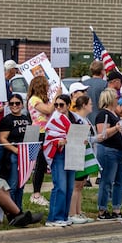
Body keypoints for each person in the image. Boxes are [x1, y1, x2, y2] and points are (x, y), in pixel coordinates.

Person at [43, 94, 80, 227]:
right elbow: (49, 137)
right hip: (58, 154)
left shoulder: (74, 119)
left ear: (68, 105)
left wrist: (82, 140)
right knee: (60, 186)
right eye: (56, 105)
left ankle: (63, 216)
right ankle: (54, 217)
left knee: (69, 187)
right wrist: (58, 142)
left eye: (61, 105)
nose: (58, 108)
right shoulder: (53, 119)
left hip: (71, 153)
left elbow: (78, 134)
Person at [94, 88, 122, 220]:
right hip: (108, 150)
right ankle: (102, 210)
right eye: (115, 98)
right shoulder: (102, 115)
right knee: (107, 181)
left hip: (118, 151)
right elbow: (102, 134)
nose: (117, 100)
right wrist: (116, 128)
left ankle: (116, 208)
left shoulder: (114, 114)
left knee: (121, 180)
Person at [0, 93, 33, 211]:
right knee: (12, 185)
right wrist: (16, 151)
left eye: (17, 103)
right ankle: (12, 212)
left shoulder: (26, 119)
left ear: (22, 105)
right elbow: (3, 139)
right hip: (13, 156)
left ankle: (20, 209)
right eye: (11, 103)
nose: (14, 105)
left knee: (21, 185)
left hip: (26, 155)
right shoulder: (6, 120)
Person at [69, 94, 98, 224]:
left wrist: (96, 139)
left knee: (80, 185)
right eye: (90, 103)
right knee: (76, 185)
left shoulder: (86, 119)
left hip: (85, 153)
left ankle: (78, 212)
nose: (92, 106)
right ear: (84, 105)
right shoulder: (77, 118)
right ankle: (72, 213)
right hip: (77, 155)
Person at [26, 75, 56, 207]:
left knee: (44, 164)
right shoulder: (34, 99)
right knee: (40, 164)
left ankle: (38, 192)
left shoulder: (44, 99)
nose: (48, 88)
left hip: (47, 132)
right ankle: (36, 193)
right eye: (46, 86)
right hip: (39, 132)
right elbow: (48, 110)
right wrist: (56, 97)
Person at [85, 60, 107, 124]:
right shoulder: (105, 84)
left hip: (85, 118)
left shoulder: (83, 84)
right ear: (102, 71)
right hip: (100, 119)